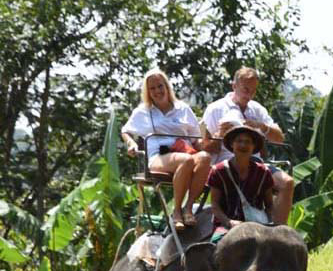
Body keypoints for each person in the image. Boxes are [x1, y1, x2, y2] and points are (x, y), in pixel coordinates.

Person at [202, 66, 294, 225]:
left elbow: (279, 138)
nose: (248, 94)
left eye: (252, 91)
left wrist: (262, 127)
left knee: (287, 182)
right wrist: (219, 135)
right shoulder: (216, 109)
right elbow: (206, 147)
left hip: (255, 164)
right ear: (234, 86)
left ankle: (278, 233)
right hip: (226, 165)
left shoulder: (257, 109)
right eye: (245, 89)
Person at [122, 70, 212, 231]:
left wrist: (208, 142)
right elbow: (126, 130)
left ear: (167, 87)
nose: (157, 91)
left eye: (160, 86)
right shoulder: (143, 111)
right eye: (152, 88)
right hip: (160, 154)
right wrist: (131, 144)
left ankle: (188, 207)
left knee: (205, 157)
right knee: (187, 160)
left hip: (184, 151)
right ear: (147, 92)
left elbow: (195, 139)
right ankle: (176, 211)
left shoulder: (182, 108)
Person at [206, 125, 277, 235]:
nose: (243, 145)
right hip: (225, 227)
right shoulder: (218, 171)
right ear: (232, 145)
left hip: (256, 226)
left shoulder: (263, 172)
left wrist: (270, 225)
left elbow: (269, 205)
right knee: (218, 248)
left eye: (248, 142)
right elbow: (215, 205)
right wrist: (229, 222)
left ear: (253, 147)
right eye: (239, 141)